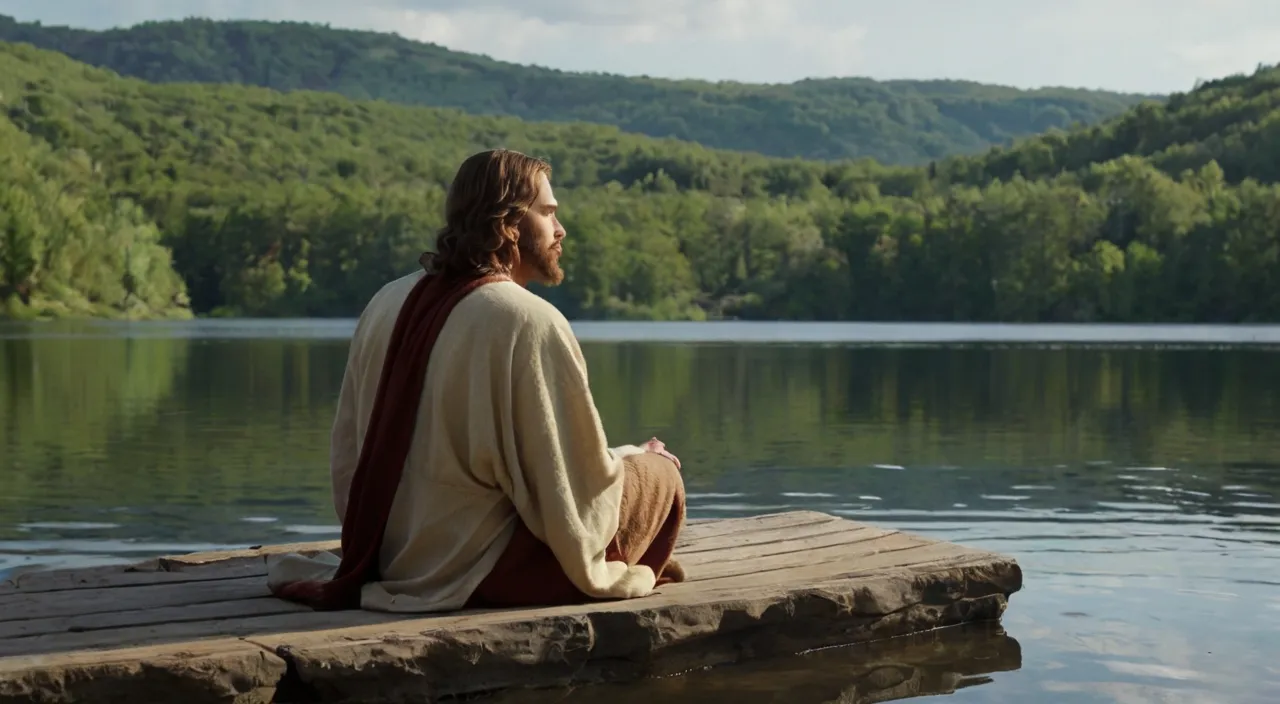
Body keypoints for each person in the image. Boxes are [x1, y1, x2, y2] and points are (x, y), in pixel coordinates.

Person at [265, 148, 687, 612]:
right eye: (547, 213)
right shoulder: (528, 320)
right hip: (482, 571)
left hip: (386, 555)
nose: (560, 229)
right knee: (661, 474)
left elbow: (348, 451)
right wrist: (637, 462)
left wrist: (620, 456)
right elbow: (569, 488)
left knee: (632, 463)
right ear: (509, 223)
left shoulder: (387, 300)